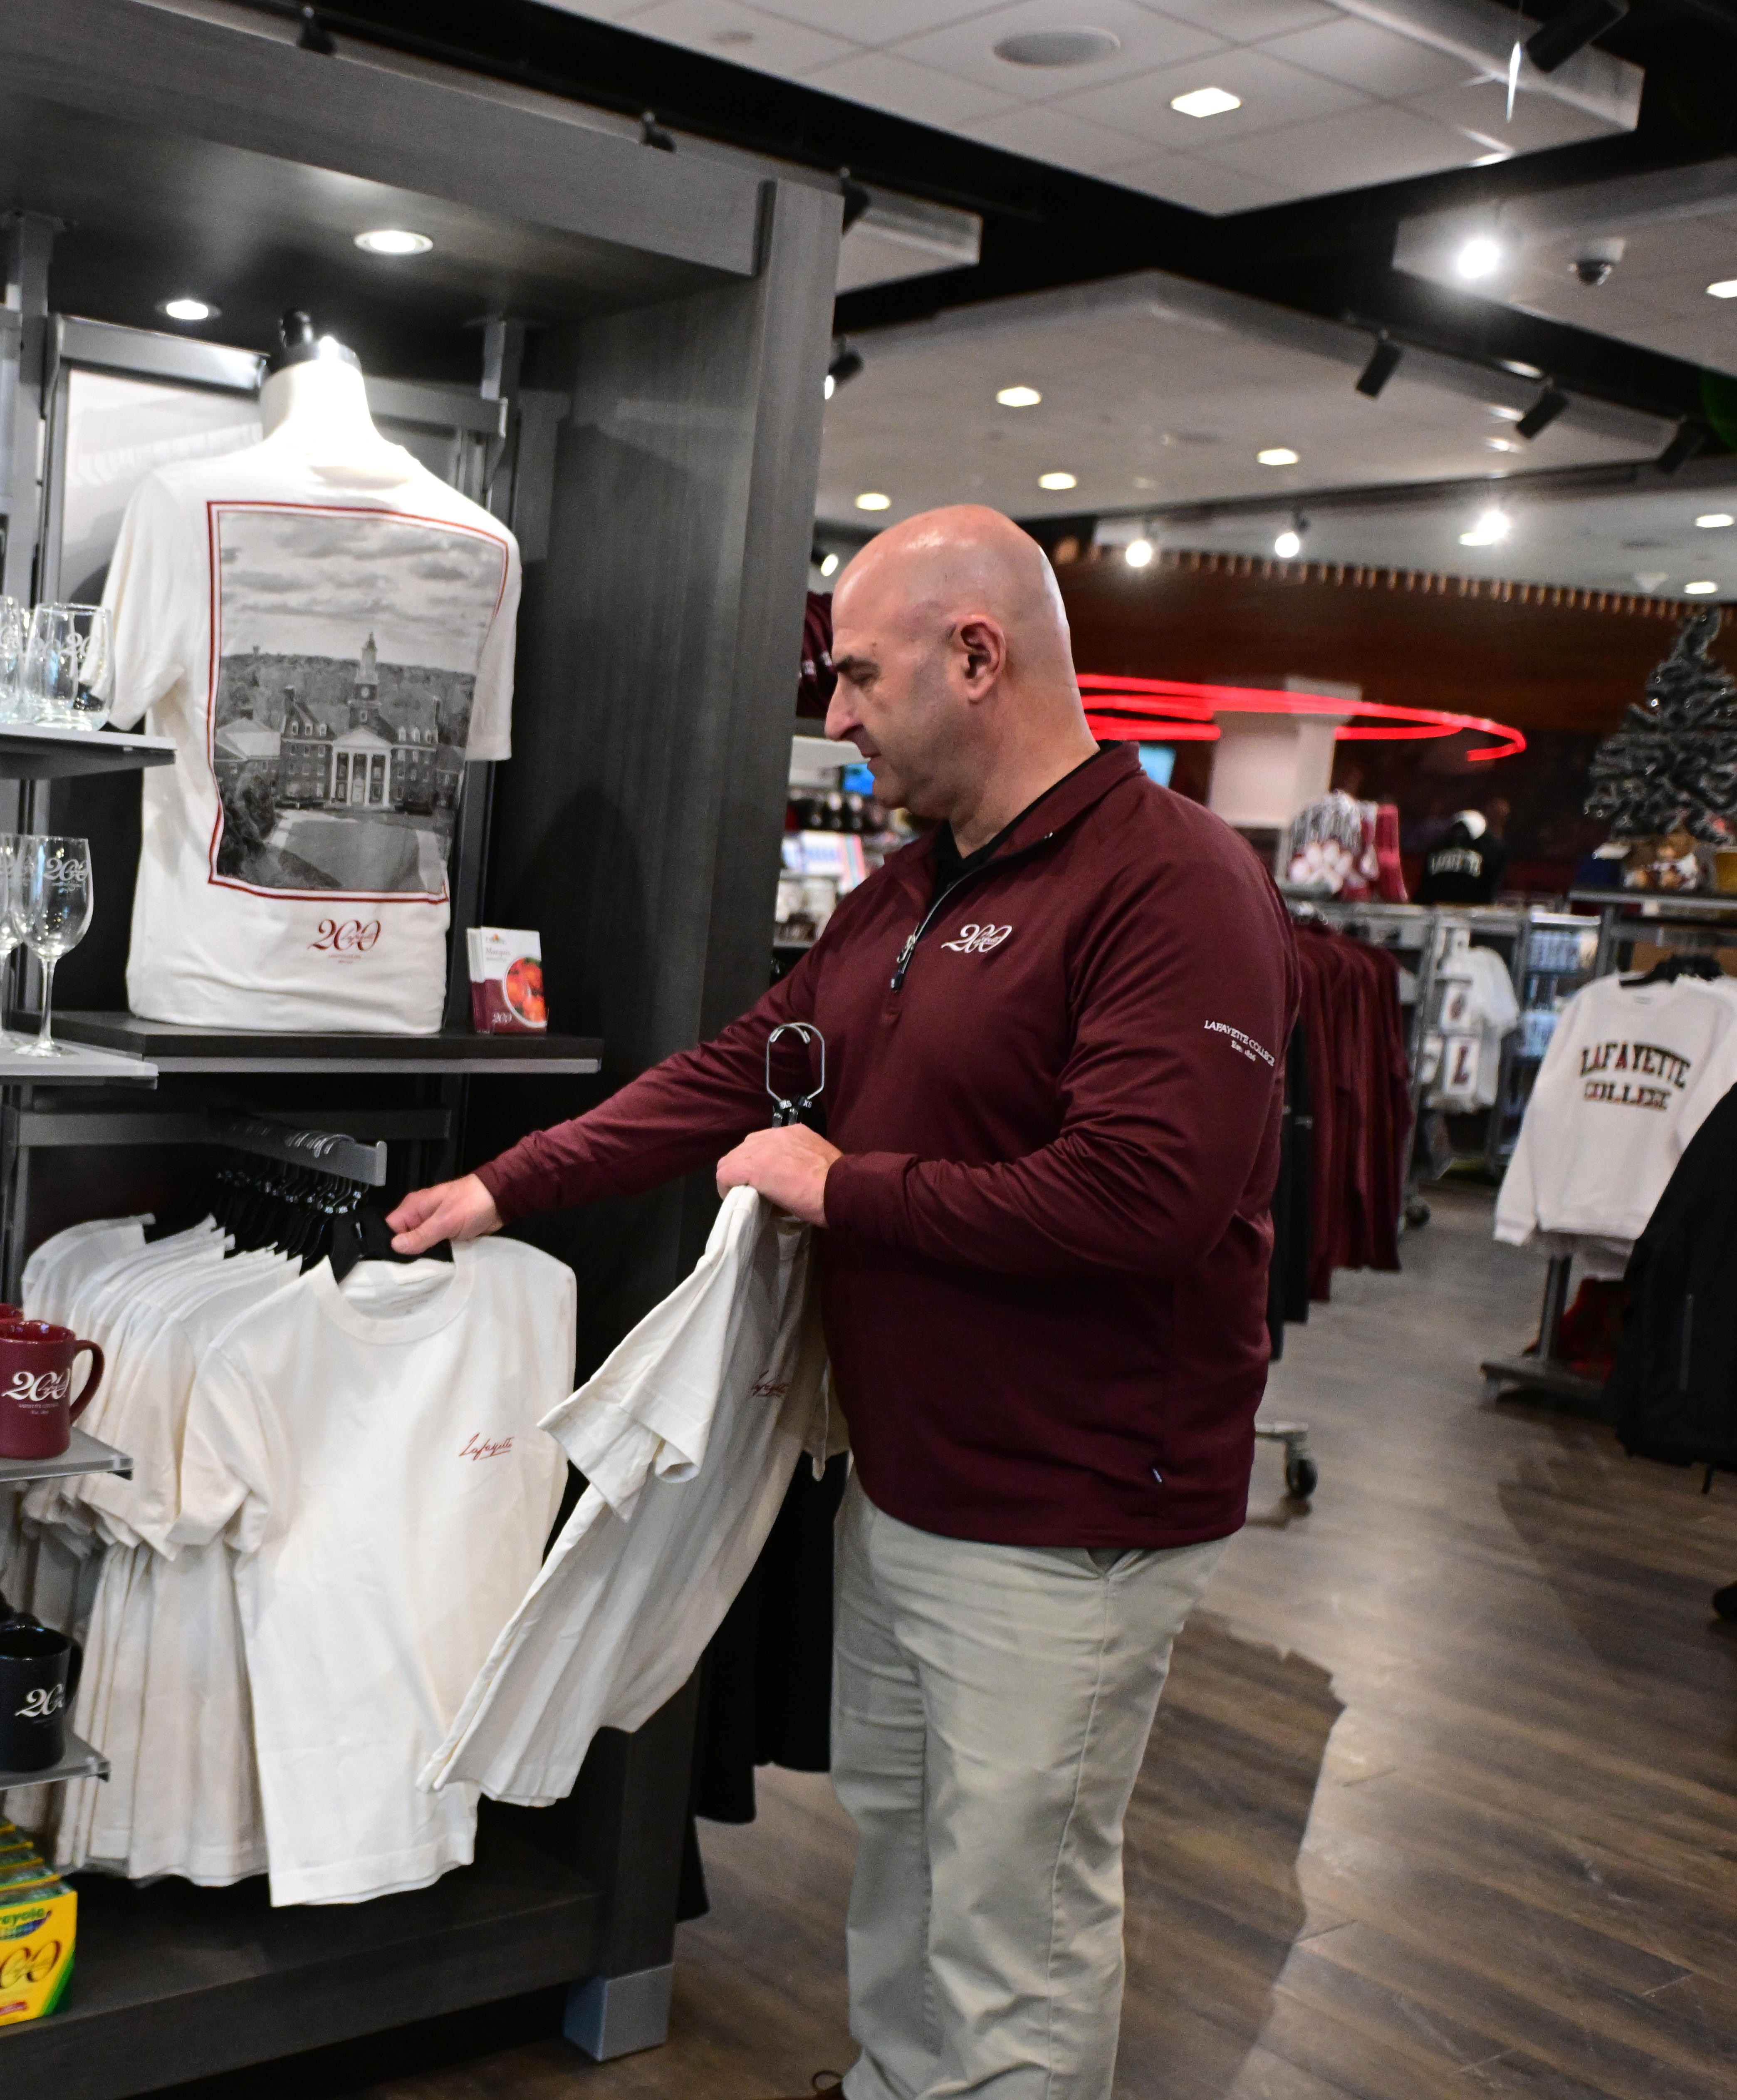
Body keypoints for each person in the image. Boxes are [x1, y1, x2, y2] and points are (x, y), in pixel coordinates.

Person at [389, 505, 1294, 2100]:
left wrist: (839, 1186)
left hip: (1071, 1515)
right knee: (909, 1851)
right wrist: (512, 1181)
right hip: (905, 1481)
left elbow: (1150, 1200)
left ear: (977, 656)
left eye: (861, 677)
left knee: (1016, 1912)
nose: (840, 716)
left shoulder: (1177, 887)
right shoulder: (913, 893)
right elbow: (747, 1069)